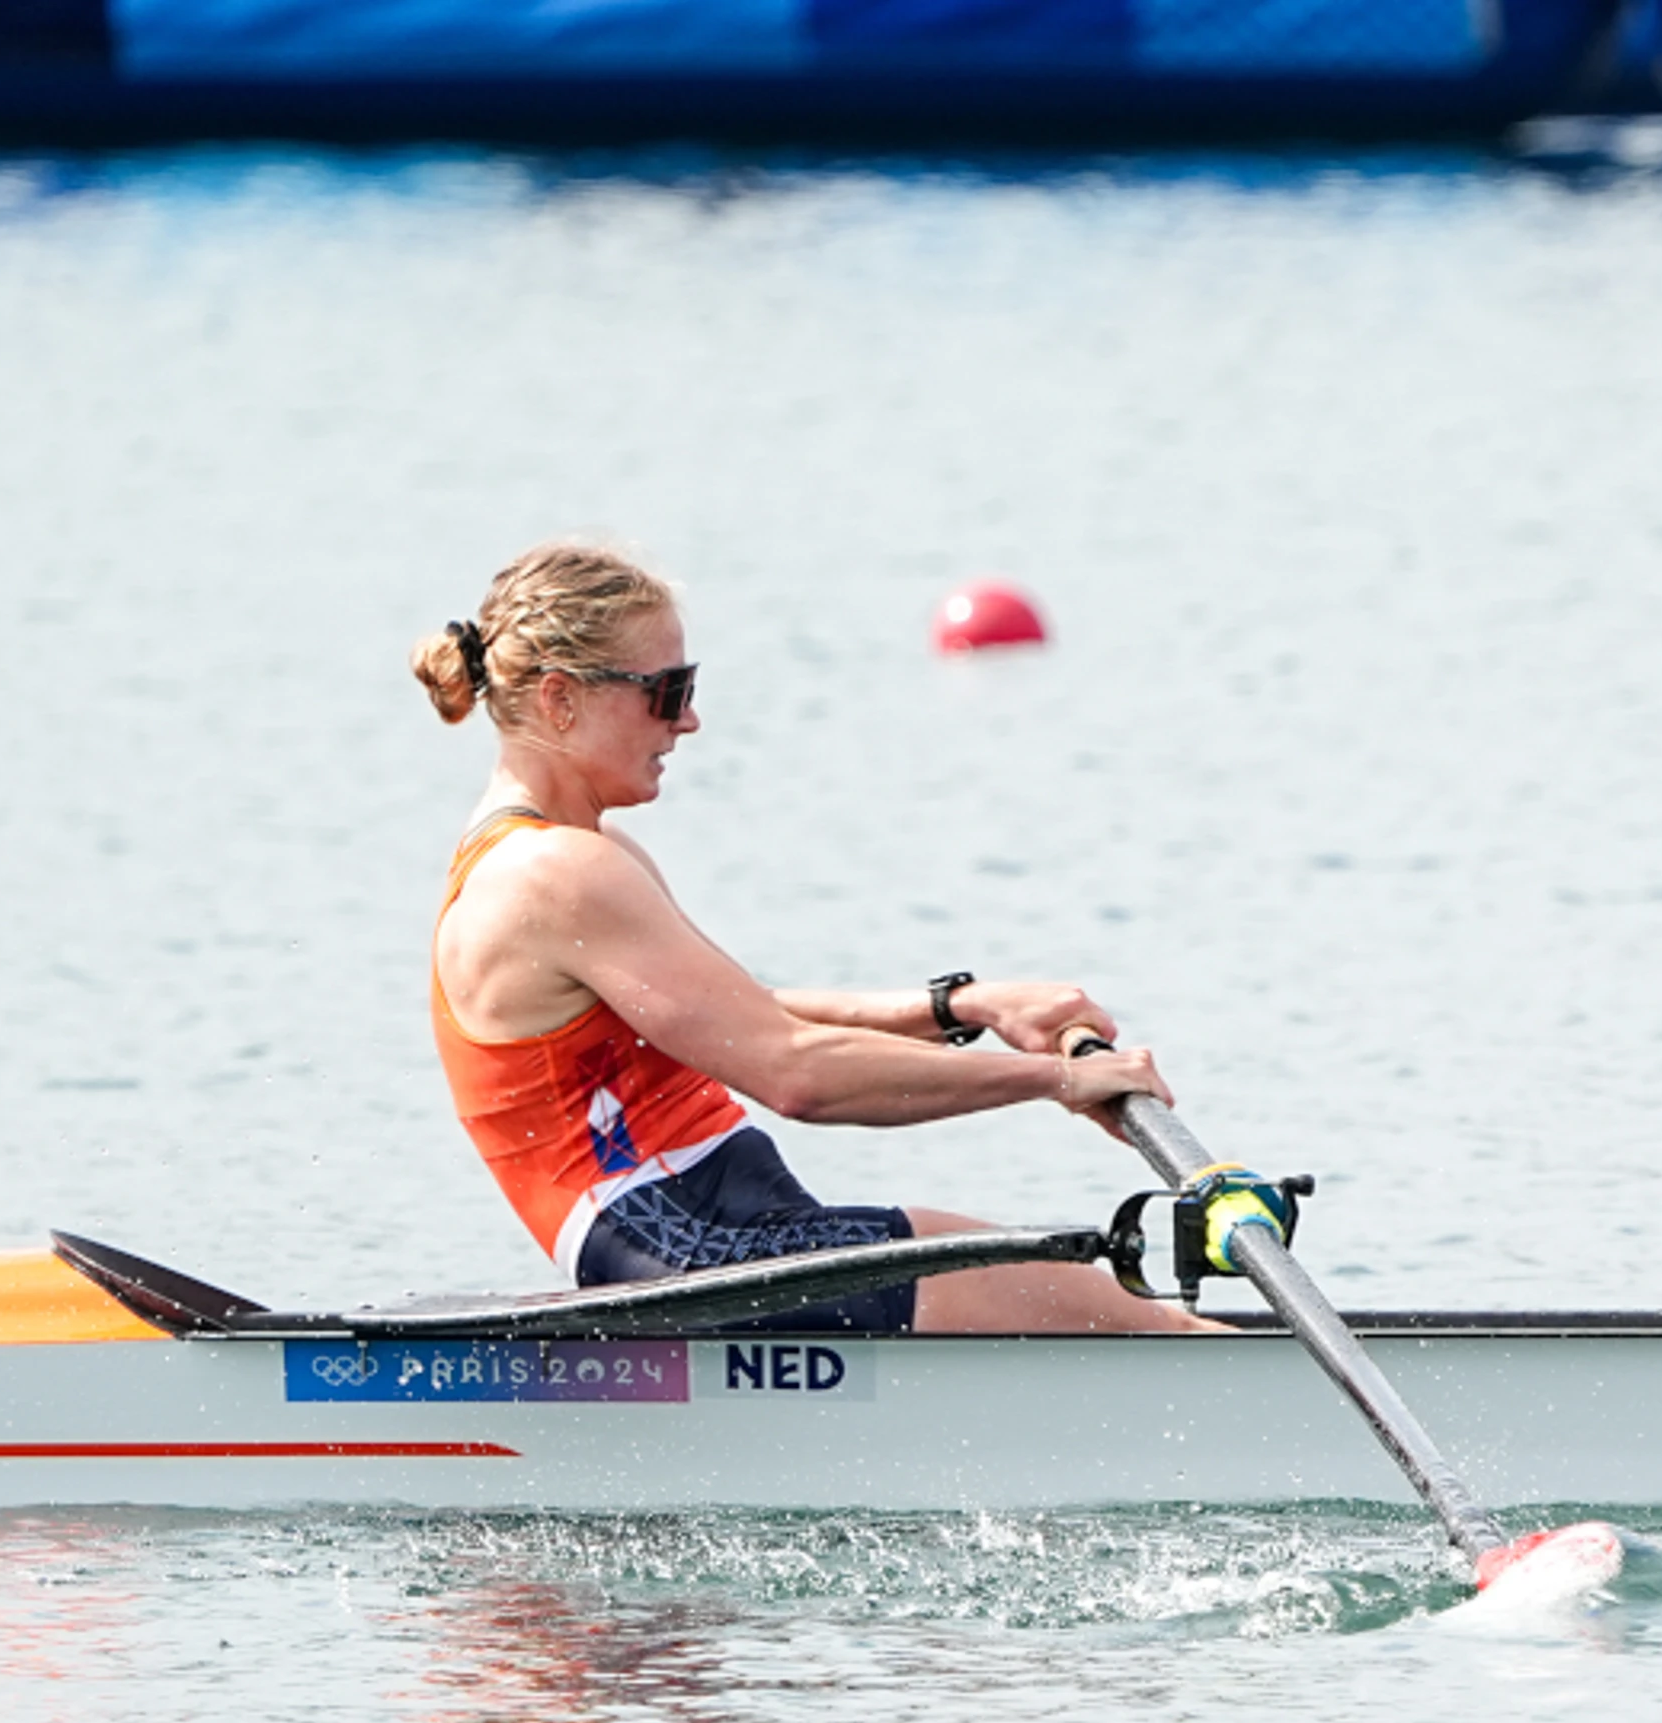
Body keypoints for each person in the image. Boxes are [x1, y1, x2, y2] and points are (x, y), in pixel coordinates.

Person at [410, 540, 1209, 1334]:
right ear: (560, 699)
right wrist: (1054, 1082)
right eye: (667, 690)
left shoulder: (553, 856)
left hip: (713, 1233)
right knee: (1155, 1330)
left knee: (1109, 1313)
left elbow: (747, 1015)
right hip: (696, 1253)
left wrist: (965, 1006)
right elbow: (795, 1075)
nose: (689, 720)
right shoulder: (558, 871)